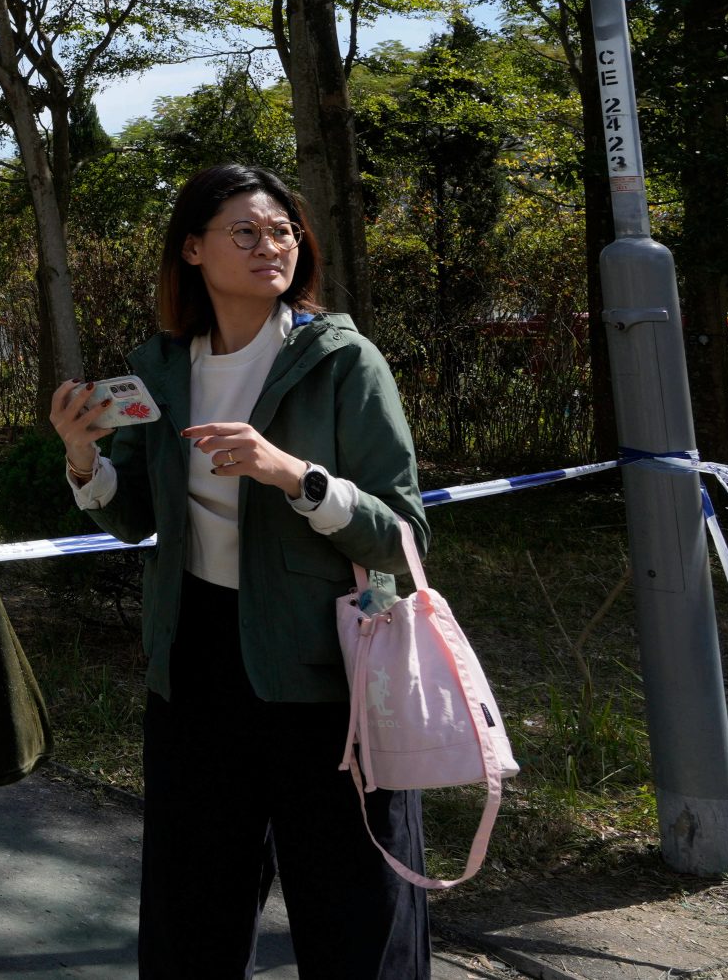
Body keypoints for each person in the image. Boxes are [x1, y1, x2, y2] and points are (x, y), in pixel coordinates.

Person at [51, 163, 431, 980]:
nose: (273, 246)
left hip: (327, 677)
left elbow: (404, 537)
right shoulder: (158, 369)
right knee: (191, 916)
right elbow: (138, 517)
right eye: (247, 232)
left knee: (354, 918)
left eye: (285, 231)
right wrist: (84, 457)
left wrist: (296, 476)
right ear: (192, 249)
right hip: (195, 670)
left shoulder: (343, 361)